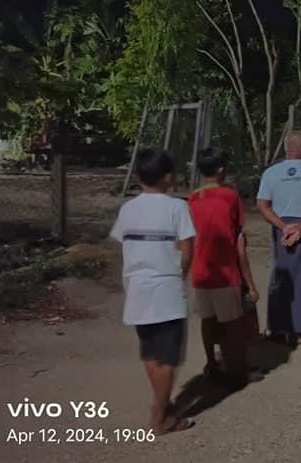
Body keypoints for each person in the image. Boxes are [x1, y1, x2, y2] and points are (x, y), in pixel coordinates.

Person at [110, 148, 195, 434]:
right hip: (166, 288)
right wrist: (179, 275)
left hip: (137, 289)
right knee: (168, 357)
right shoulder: (177, 208)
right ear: (168, 177)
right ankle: (158, 416)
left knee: (149, 352)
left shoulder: (128, 209)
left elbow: (123, 244)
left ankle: (161, 402)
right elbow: (187, 250)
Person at [188, 147, 260, 388]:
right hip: (225, 272)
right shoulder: (229, 196)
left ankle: (211, 364)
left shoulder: (192, 198)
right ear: (220, 169)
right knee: (232, 324)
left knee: (208, 321)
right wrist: (250, 285)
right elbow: (239, 246)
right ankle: (236, 370)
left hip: (201, 272)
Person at [257, 131, 301, 346]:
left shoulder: (270, 173)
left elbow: (262, 204)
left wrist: (282, 226)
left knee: (281, 276)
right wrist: (300, 228)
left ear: (286, 148)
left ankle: (278, 327)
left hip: (280, 227)